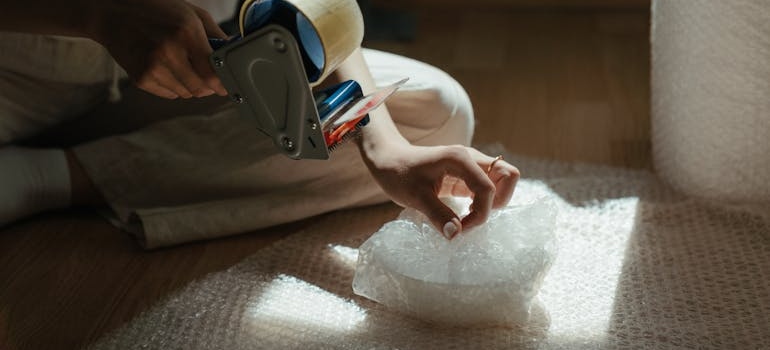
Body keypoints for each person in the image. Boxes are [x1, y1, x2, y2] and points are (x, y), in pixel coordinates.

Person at [0, 0, 520, 248]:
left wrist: (382, 143)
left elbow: (322, 11)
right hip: (19, 66)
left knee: (436, 111)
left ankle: (51, 175)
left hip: (174, 73)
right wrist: (100, 16)